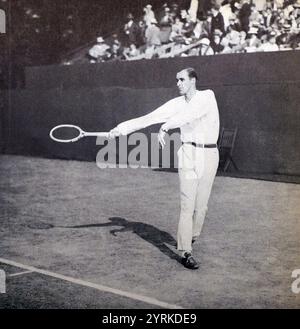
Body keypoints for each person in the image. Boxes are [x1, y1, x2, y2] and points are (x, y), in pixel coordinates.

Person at [108, 68, 220, 270]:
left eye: (182, 79)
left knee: (201, 206)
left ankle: (191, 236)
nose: (178, 83)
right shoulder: (176, 104)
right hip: (187, 153)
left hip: (209, 155)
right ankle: (186, 251)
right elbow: (150, 117)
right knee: (187, 205)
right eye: (176, 79)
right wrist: (120, 129)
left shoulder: (207, 96)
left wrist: (166, 127)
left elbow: (190, 115)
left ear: (193, 80)